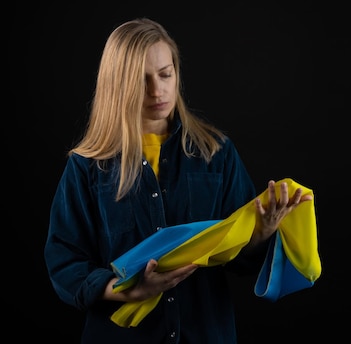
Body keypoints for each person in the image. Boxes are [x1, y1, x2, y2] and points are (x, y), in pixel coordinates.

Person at [44, 17, 312, 344]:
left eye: (164, 74)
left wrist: (263, 232)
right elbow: (64, 261)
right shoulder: (87, 166)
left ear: (176, 73)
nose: (157, 91)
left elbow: (239, 259)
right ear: (116, 84)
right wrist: (125, 291)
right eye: (140, 80)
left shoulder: (217, 153)